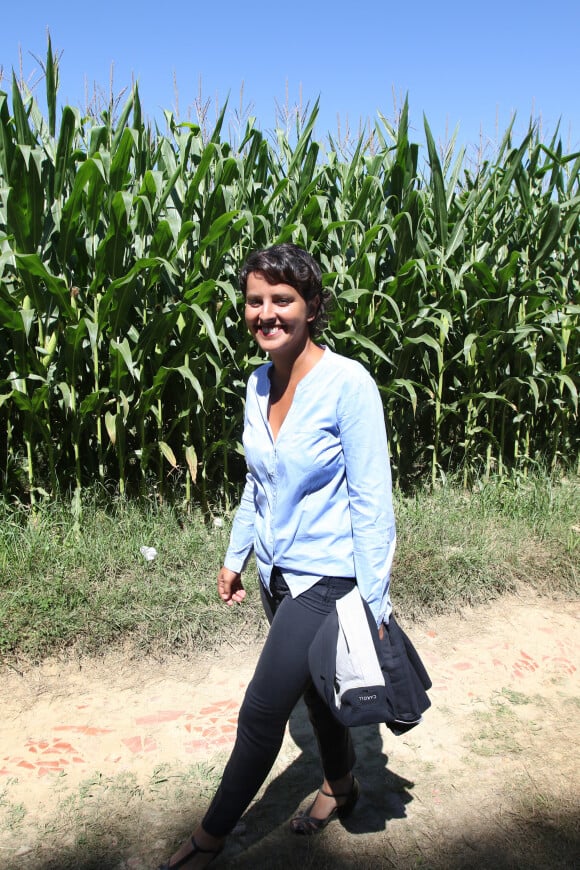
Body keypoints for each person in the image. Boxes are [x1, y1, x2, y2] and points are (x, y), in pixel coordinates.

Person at [159, 243, 396, 869]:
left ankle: (207, 839)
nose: (266, 314)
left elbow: (374, 502)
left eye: (282, 300)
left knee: (263, 712)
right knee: (317, 694)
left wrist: (374, 602)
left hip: (330, 578)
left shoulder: (349, 385)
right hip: (277, 574)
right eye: (255, 301)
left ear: (311, 307)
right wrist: (237, 554)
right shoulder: (257, 382)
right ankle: (341, 785)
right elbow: (256, 483)